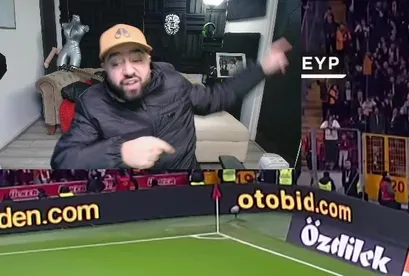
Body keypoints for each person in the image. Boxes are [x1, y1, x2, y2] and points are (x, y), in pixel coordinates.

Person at [52, 25, 291, 170]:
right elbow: (64, 159)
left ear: (149, 60)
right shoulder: (92, 103)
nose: (128, 70)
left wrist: (261, 68)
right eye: (116, 63)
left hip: (185, 184)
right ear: (104, 67)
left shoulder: (174, 82)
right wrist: (120, 153)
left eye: (136, 59)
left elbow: (219, 97)